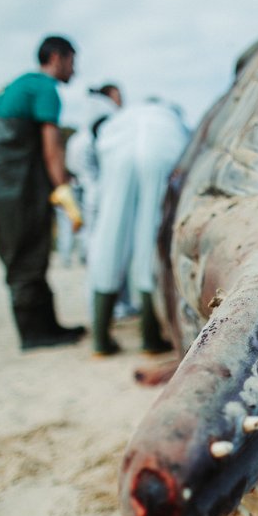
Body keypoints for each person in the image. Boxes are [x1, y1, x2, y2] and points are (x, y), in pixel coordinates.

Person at [0, 35, 86, 351]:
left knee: (31, 247)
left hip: (0, 179)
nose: (74, 70)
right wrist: (64, 189)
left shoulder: (20, 85)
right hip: (12, 182)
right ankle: (34, 334)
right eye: (71, 61)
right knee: (25, 248)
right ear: (56, 57)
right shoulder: (44, 88)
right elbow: (52, 148)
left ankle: (47, 326)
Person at [88, 98, 190, 355]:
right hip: (164, 150)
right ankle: (150, 335)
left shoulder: (124, 117)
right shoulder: (171, 118)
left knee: (110, 234)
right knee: (151, 234)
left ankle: (100, 338)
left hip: (118, 149)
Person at [61, 84, 121, 267]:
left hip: (77, 182)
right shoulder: (94, 131)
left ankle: (72, 256)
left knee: (73, 223)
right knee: (89, 224)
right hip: (90, 184)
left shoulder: (77, 138)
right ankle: (88, 256)